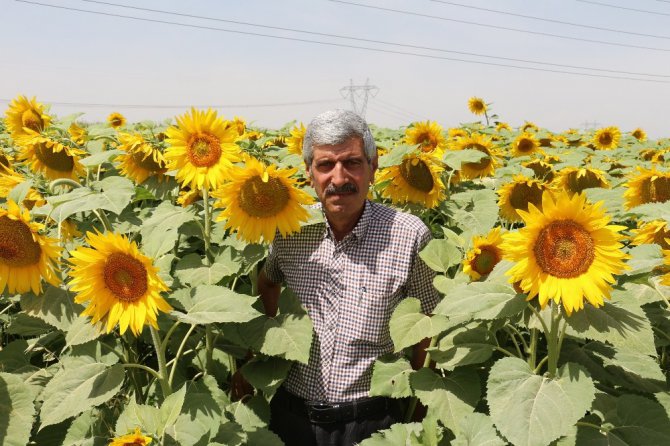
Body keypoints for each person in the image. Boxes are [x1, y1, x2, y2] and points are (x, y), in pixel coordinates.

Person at [257, 109, 440, 446]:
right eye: (325, 165)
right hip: (290, 417)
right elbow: (267, 281)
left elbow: (429, 323)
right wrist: (261, 354)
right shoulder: (290, 231)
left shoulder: (408, 235)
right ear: (310, 174)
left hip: (372, 420)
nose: (339, 178)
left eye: (352, 162)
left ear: (373, 167)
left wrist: (417, 409)